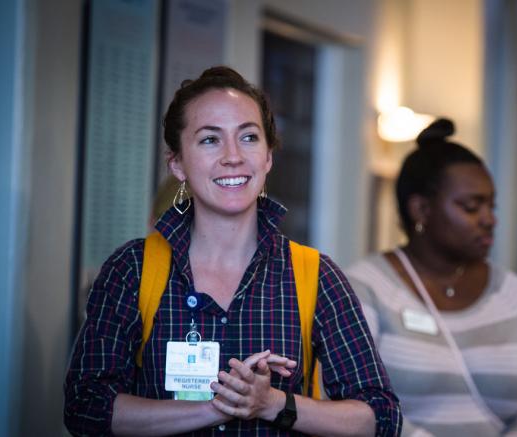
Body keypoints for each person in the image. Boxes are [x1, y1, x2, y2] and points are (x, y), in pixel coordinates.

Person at [64, 66, 401, 436]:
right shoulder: (132, 269)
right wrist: (219, 407)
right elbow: (87, 407)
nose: (233, 156)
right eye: (210, 140)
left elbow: (380, 418)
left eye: (249, 137)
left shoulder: (315, 274)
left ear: (268, 156)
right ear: (177, 163)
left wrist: (273, 403)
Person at [346, 119, 517, 436]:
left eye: (491, 205)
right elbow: (352, 404)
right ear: (421, 210)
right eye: (472, 207)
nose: (490, 219)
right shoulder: (364, 288)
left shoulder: (516, 294)